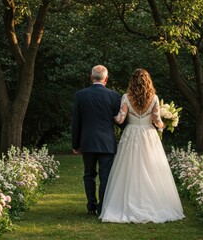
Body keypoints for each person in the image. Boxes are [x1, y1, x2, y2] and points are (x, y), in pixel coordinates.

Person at [99, 68, 185, 223]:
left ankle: (127, 203)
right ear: (148, 81)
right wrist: (164, 124)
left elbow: (120, 119)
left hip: (131, 134)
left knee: (129, 168)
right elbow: (157, 120)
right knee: (151, 167)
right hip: (148, 135)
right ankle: (153, 203)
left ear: (132, 81)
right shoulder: (153, 98)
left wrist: (111, 117)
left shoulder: (126, 97)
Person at [71, 65, 122, 215]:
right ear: (106, 78)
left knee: (89, 175)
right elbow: (121, 121)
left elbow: (76, 122)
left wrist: (75, 144)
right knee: (106, 176)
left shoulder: (80, 95)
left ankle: (91, 207)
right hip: (107, 143)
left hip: (87, 141)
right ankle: (102, 208)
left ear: (91, 77)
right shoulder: (114, 96)